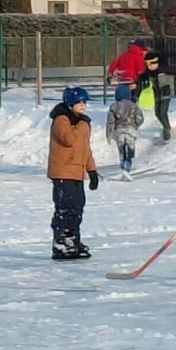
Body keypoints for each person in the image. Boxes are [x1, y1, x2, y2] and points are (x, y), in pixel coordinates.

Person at [48, 85, 99, 260]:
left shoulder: (81, 122)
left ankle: (73, 239)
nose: (83, 106)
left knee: (77, 207)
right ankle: (61, 240)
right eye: (80, 102)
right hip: (63, 172)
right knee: (65, 207)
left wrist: (92, 170)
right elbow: (69, 139)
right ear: (70, 103)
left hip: (77, 172)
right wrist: (83, 126)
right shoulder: (61, 120)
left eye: (85, 102)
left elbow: (85, 149)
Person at [139, 50, 176, 142]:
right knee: (157, 113)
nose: (150, 67)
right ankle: (167, 126)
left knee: (162, 112)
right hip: (156, 94)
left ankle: (167, 129)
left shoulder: (164, 69)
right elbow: (141, 78)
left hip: (166, 93)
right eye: (148, 65)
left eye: (151, 65)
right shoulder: (148, 72)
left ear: (156, 63)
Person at [105, 84, 143, 173]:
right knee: (130, 147)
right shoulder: (134, 106)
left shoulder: (114, 106)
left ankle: (122, 162)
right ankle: (128, 162)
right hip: (131, 130)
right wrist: (135, 125)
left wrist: (109, 134)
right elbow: (140, 118)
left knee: (121, 148)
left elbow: (111, 121)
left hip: (118, 130)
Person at [106, 38, 149, 102]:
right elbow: (140, 70)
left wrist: (110, 74)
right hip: (132, 82)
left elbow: (113, 64)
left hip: (122, 81)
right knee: (131, 102)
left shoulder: (123, 55)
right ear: (142, 49)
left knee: (122, 102)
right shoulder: (138, 57)